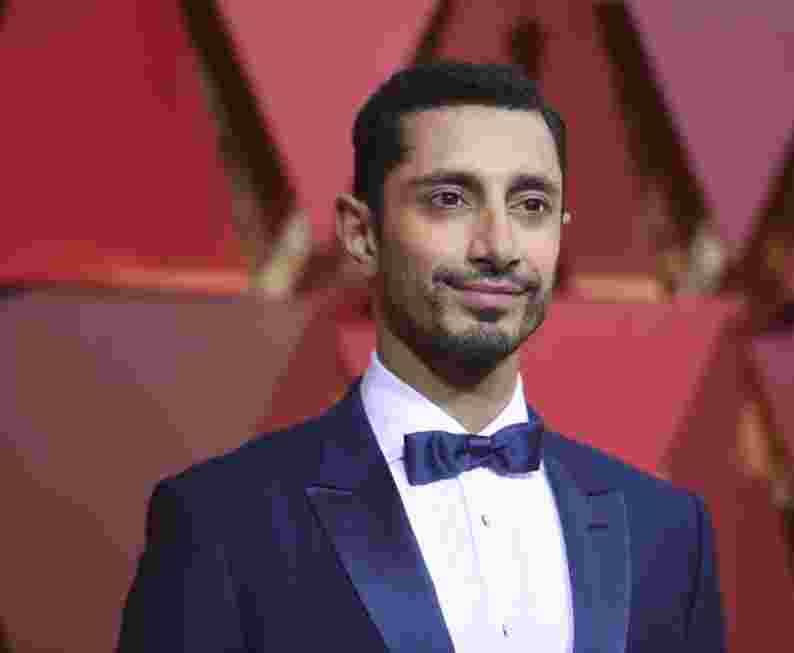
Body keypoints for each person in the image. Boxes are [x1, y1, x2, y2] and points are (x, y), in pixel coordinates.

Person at [117, 60, 726, 652]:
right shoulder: (222, 525)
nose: (499, 246)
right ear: (361, 233)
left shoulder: (668, 535)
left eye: (531, 205)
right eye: (450, 199)